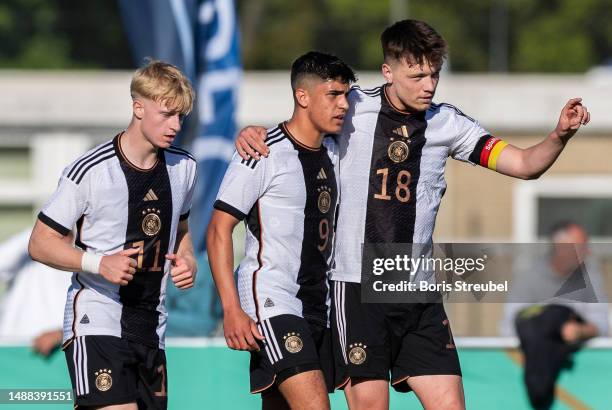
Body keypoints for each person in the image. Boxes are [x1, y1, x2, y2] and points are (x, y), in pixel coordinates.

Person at [235, 19, 590, 410]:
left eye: (434, 74)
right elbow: (299, 127)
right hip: (355, 288)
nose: (429, 84)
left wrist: (559, 135)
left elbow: (523, 164)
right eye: (417, 74)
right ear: (389, 71)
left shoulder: (447, 123)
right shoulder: (352, 109)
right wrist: (254, 133)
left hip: (416, 290)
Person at [28, 59, 198, 410]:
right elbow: (40, 243)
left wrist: (188, 258)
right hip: (97, 319)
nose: (175, 125)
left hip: (153, 328)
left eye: (181, 116)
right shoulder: (90, 170)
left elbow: (180, 228)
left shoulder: (184, 168)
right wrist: (98, 262)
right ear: (138, 107)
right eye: (167, 114)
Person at [207, 51, 355, 410]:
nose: (344, 105)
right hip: (273, 299)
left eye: (346, 95)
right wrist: (231, 309)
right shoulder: (261, 152)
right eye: (333, 95)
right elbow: (218, 230)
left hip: (318, 303)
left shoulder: (336, 152)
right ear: (302, 97)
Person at [501, 221, 608, 409]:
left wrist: (580, 331)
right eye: (581, 246)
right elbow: (509, 327)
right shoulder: (529, 278)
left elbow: (603, 323)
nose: (588, 252)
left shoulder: (590, 275)